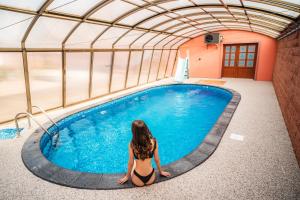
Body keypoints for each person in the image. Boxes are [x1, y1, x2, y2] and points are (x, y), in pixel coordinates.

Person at [118, 120, 171, 186]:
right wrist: (161, 172)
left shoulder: (132, 144)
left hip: (137, 178)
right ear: (146, 129)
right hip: (150, 177)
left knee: (134, 161)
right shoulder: (154, 141)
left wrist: (127, 176)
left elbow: (130, 163)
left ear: (134, 131)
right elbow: (157, 159)